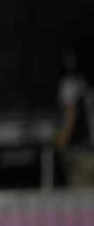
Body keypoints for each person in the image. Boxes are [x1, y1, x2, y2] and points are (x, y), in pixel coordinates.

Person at [53, 48, 94, 187]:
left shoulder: (69, 85)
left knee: (83, 200)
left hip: (81, 151)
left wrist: (60, 143)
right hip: (88, 148)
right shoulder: (84, 83)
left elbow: (71, 117)